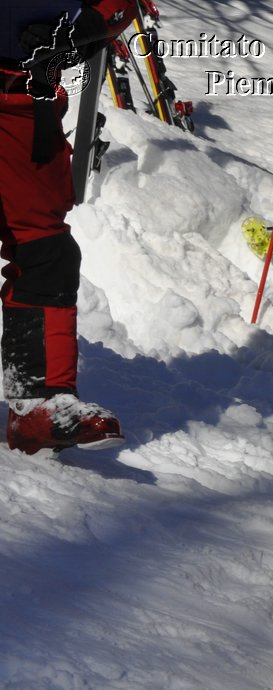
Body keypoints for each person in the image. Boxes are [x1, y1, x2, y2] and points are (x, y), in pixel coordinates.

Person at [3, 2, 134, 453]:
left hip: (24, 103)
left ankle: (38, 405)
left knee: (46, 250)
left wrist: (91, 26)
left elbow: (120, 5)